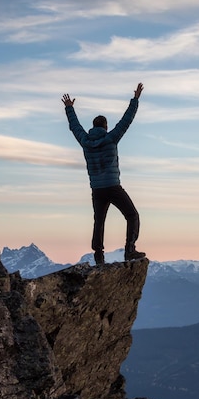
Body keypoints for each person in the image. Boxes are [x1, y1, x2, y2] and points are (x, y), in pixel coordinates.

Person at [62, 84, 145, 265]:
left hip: (97, 190)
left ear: (93, 127)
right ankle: (129, 250)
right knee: (132, 215)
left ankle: (98, 256)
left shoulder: (84, 140)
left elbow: (74, 127)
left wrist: (69, 108)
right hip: (113, 187)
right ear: (106, 127)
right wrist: (135, 99)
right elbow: (126, 120)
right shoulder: (111, 138)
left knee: (99, 221)